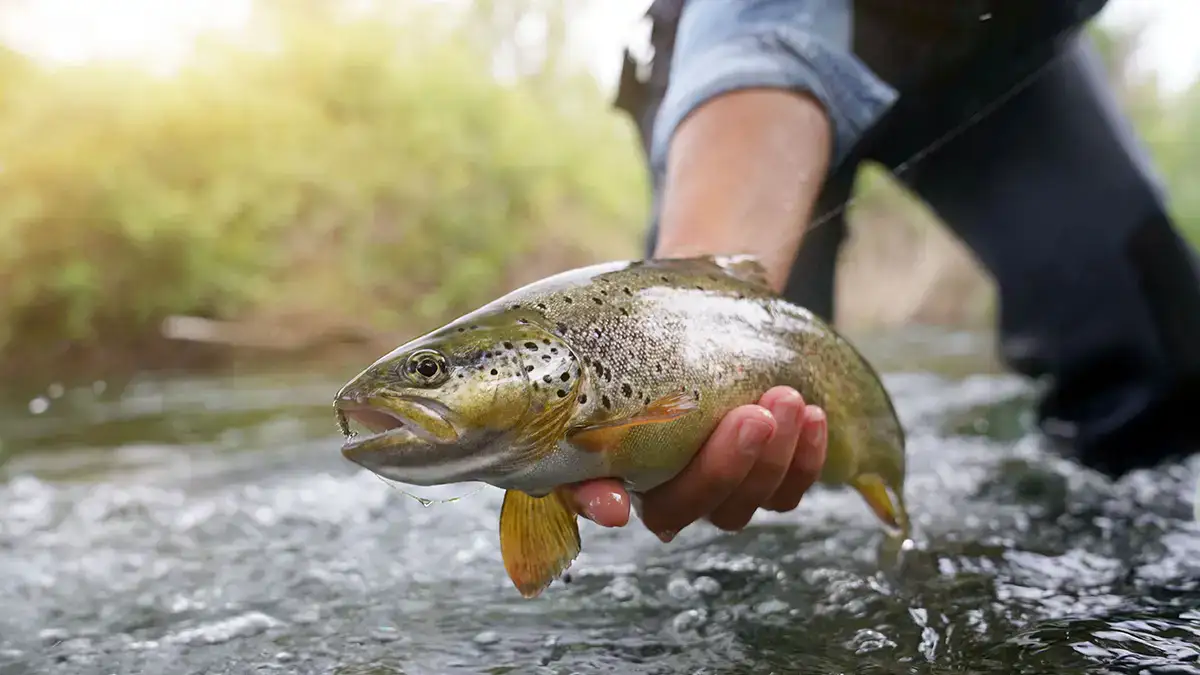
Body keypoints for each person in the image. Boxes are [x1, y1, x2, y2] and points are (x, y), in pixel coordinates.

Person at [562, 0, 1200, 541]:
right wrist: (677, 335)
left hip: (994, 48)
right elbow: (760, 28)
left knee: (1156, 365)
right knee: (718, 450)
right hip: (757, 48)